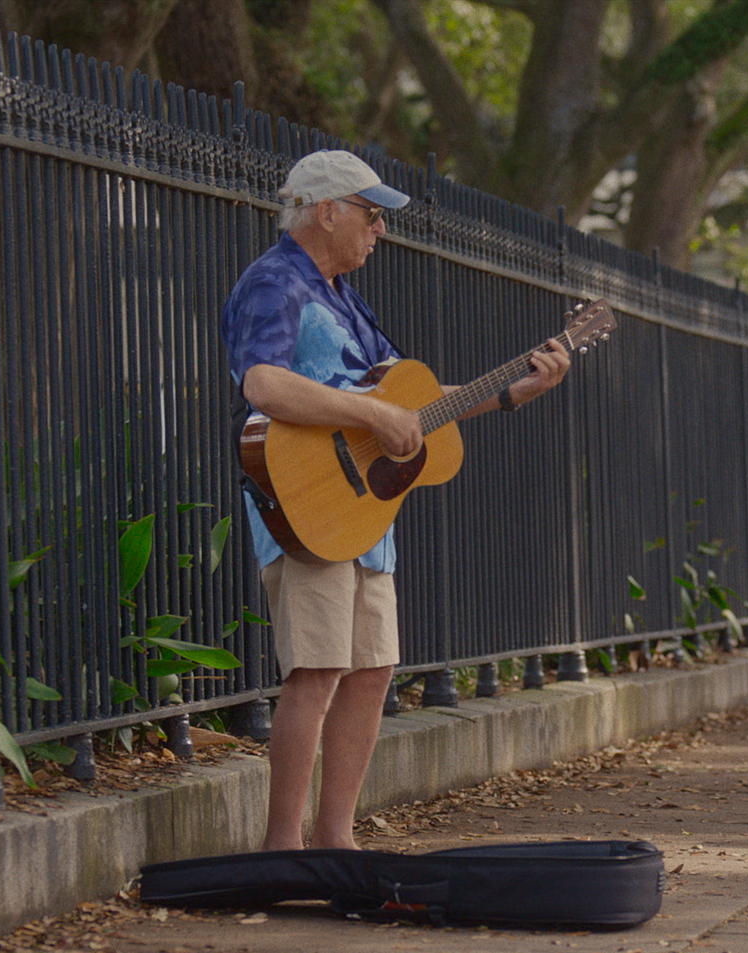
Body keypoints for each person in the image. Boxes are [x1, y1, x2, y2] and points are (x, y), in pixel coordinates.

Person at [223, 150, 572, 850]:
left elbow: (406, 407)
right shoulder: (274, 282)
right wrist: (371, 418)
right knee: (317, 669)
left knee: (373, 666)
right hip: (307, 502)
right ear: (326, 211)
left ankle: (335, 838)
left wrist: (508, 390)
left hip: (367, 510)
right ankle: (282, 848)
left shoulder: (345, 297)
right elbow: (262, 384)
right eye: (370, 214)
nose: (379, 230)